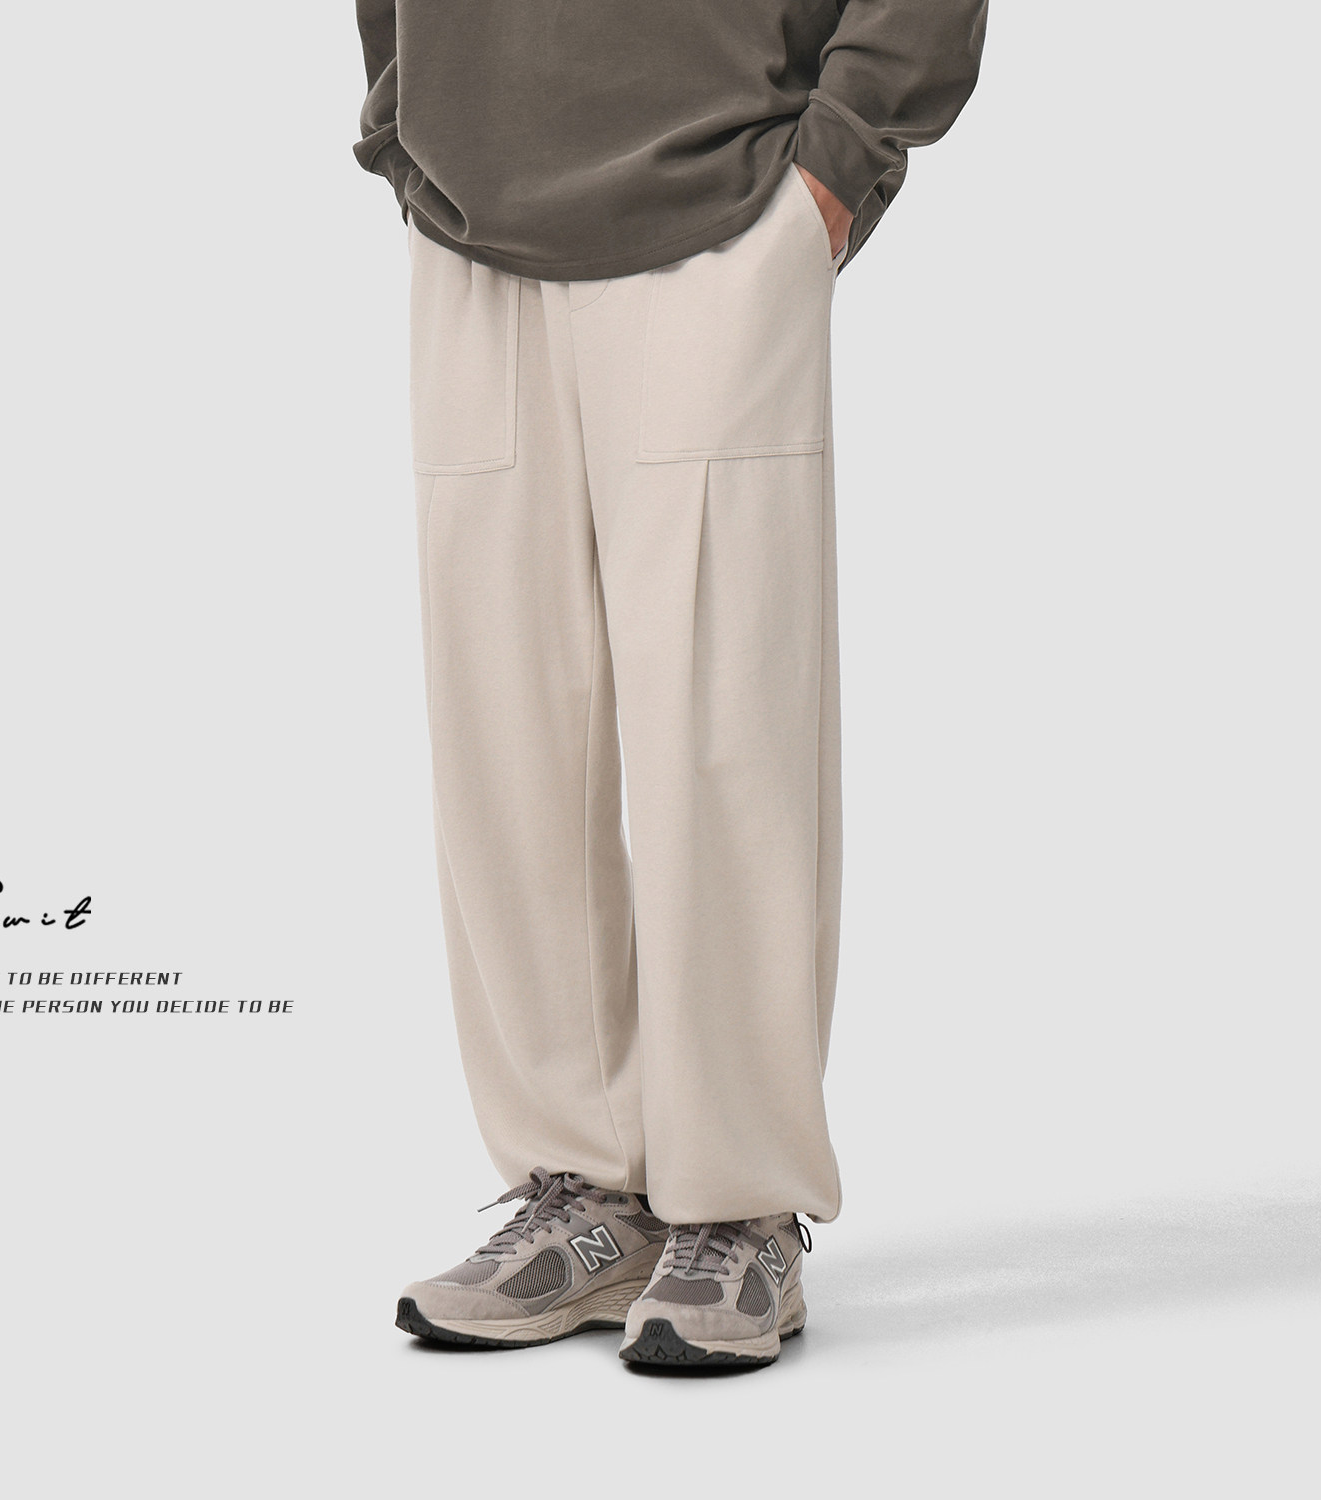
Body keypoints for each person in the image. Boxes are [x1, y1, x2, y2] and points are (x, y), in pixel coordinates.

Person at [354, 0, 987, 1370]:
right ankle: (583, 1191)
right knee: (506, 723)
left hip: (725, 191)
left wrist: (840, 158)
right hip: (468, 206)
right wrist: (403, 115)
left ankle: (741, 1204)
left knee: (722, 718)